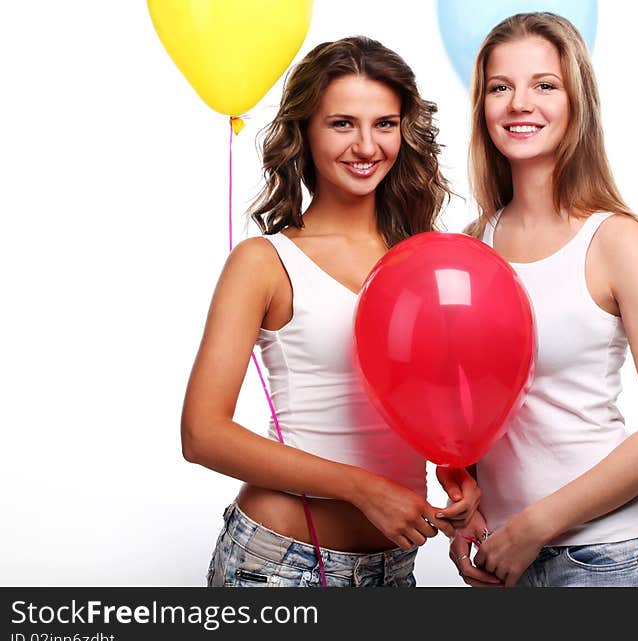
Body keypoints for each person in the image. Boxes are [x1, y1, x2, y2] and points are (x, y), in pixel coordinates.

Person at [181, 36, 480, 588]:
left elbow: (432, 403)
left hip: (393, 569)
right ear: (305, 132)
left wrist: (461, 474)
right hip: (279, 566)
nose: (367, 146)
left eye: (385, 124)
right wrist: (363, 489)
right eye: (342, 123)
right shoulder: (266, 262)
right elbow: (203, 433)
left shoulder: (427, 259)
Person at [450, 12, 638, 587]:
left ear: (575, 101)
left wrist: (533, 526)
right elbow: (469, 414)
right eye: (499, 87)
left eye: (544, 84)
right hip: (503, 555)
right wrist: (469, 508)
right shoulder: (470, 247)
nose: (519, 103)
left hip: (611, 557)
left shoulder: (616, 241)